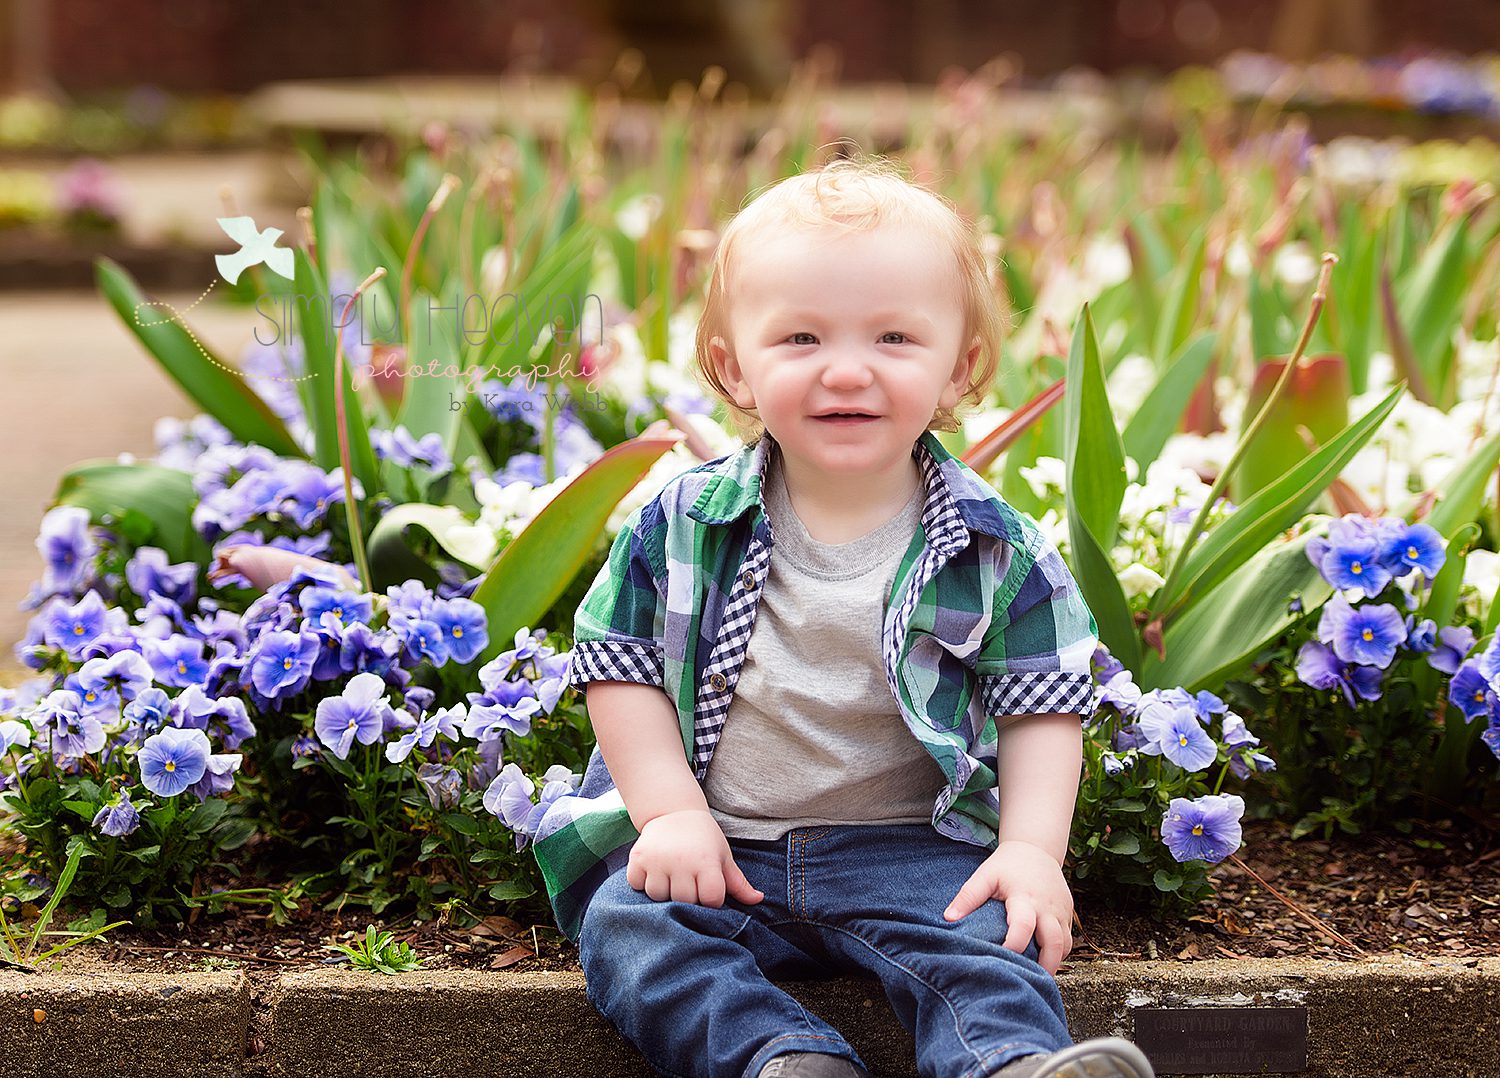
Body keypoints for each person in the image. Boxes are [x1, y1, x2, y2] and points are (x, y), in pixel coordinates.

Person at [529, 156, 1155, 1078]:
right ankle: (781, 1060)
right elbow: (618, 664)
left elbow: (1042, 702)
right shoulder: (682, 524)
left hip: (907, 853)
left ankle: (1011, 1065)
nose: (848, 370)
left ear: (962, 365)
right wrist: (668, 816)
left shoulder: (995, 546)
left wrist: (1029, 850)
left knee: (991, 939)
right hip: (723, 844)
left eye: (896, 337)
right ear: (731, 368)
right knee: (631, 930)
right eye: (801, 339)